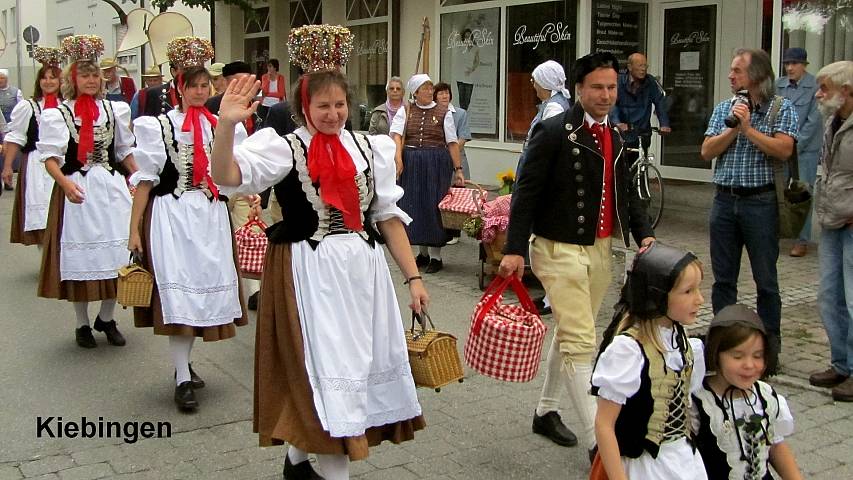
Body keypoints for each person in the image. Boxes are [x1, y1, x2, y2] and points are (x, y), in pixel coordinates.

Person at [210, 25, 427, 480]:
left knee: (354, 368)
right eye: (322, 106)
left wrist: (414, 278)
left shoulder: (370, 147)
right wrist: (227, 123)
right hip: (307, 271)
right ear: (303, 108)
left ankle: (296, 459)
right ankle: (328, 462)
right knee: (325, 371)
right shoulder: (283, 148)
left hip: (362, 273)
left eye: (340, 105)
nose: (332, 114)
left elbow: (387, 217)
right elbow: (227, 177)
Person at [500, 52, 655, 458]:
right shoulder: (553, 131)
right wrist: (515, 249)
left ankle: (546, 410)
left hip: (601, 249)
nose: (606, 95)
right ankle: (599, 444)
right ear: (579, 89)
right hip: (556, 248)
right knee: (582, 341)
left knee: (572, 333)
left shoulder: (617, 136)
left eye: (611, 87)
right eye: (597, 87)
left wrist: (644, 236)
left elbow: (625, 193)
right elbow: (525, 193)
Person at [129, 37, 247, 412]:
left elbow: (234, 174)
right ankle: (182, 377)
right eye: (193, 85)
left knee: (199, 294)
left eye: (204, 85)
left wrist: (248, 195)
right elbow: (145, 181)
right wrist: (133, 230)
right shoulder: (157, 126)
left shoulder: (223, 126)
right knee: (178, 298)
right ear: (180, 87)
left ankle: (184, 366)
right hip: (173, 217)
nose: (200, 91)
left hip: (210, 217)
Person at [700, 48, 798, 376]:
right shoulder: (724, 109)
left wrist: (749, 130)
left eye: (737, 71)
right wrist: (733, 127)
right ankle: (723, 346)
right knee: (723, 279)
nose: (730, 76)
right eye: (731, 70)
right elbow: (706, 151)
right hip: (725, 202)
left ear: (756, 76)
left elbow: (784, 150)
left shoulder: (781, 109)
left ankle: (768, 351)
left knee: (766, 280)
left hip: (760, 203)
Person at [36, 34, 138, 349]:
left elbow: (123, 151)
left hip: (109, 189)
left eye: (95, 74)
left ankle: (106, 317)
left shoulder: (113, 110)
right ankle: (81, 323)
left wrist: (138, 178)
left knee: (118, 253)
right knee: (79, 258)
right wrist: (66, 185)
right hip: (76, 188)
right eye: (85, 74)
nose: (91, 80)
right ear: (73, 78)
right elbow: (50, 158)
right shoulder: (59, 114)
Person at [591, 243, 706, 479]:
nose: (700, 299)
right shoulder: (629, 351)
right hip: (646, 465)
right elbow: (604, 425)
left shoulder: (680, 340)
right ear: (658, 295)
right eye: (688, 291)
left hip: (683, 460)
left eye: (698, 289)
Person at [693, 304, 803, 479]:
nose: (749, 365)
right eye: (737, 356)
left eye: (758, 356)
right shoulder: (699, 402)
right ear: (715, 354)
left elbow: (775, 445)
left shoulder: (765, 397)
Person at [808, 60, 853, 402]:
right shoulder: (832, 120)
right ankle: (841, 363)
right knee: (830, 296)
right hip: (831, 220)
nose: (819, 94)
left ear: (846, 90)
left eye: (825, 88)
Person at [390, 74, 465, 274]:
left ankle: (436, 256)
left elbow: (451, 142)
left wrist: (458, 169)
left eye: (431, 88)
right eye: (425, 88)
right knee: (414, 205)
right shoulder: (405, 111)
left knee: (433, 205)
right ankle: (422, 253)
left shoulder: (444, 112)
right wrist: (398, 158)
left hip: (435, 162)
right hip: (412, 161)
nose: (430, 91)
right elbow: (396, 135)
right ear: (415, 92)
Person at [2, 47, 63, 247]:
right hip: (37, 162)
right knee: (43, 211)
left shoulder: (68, 105)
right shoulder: (29, 107)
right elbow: (16, 137)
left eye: (53, 77)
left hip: (64, 161)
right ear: (38, 82)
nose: (48, 81)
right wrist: (8, 166)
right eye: (44, 78)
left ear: (61, 81)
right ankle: (48, 256)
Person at [775, 47, 823, 258]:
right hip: (781, 149)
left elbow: (814, 121)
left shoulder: (815, 86)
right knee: (778, 192)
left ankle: (801, 240)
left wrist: (792, 145)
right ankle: (777, 234)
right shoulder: (779, 85)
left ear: (804, 65)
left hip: (804, 150)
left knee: (802, 194)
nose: (790, 67)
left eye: (794, 63)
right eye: (787, 63)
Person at [514, 60, 572, 181]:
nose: (533, 85)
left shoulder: (554, 108)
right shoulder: (551, 103)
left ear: (544, 83)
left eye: (534, 81)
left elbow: (547, 146)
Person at [611, 52, 671, 165]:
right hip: (623, 131)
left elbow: (659, 103)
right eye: (640, 66)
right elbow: (612, 104)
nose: (643, 69)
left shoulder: (650, 82)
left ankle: (642, 182)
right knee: (621, 165)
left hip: (642, 130)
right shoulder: (619, 82)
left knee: (641, 167)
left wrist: (664, 124)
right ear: (629, 67)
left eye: (645, 66)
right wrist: (617, 123)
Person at [433, 81, 472, 245]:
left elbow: (463, 136)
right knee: (440, 194)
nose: (444, 96)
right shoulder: (432, 113)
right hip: (438, 159)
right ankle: (441, 229)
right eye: (441, 93)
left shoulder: (460, 113)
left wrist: (451, 149)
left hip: (456, 158)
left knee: (456, 194)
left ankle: (455, 232)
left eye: (447, 93)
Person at [0, 67, 24, 190]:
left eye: (2, 78)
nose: (0, 80)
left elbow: (21, 108)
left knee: (8, 154)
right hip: (1, 127)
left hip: (11, 127)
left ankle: (8, 180)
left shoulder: (15, 92)